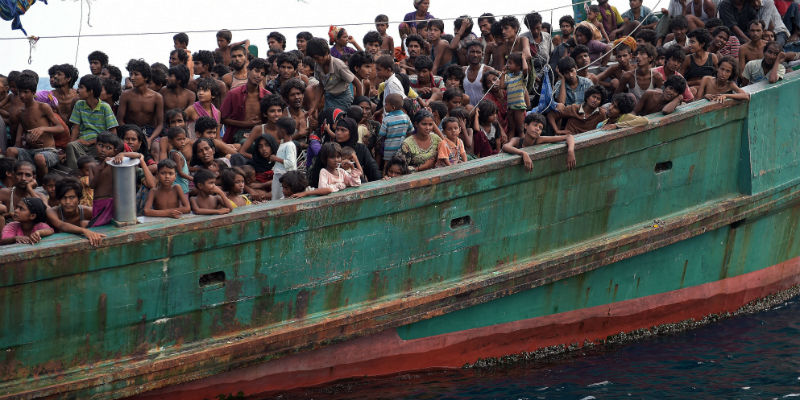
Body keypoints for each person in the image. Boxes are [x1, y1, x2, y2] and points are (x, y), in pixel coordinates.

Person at [5, 74, 67, 181]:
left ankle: (43, 184)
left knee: (39, 158)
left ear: (33, 93)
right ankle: (12, 183)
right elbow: (20, 137)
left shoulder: (43, 107)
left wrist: (42, 129)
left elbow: (60, 128)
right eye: (20, 92)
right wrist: (23, 141)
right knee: (11, 151)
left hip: (48, 151)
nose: (22, 95)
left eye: (26, 92)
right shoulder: (21, 112)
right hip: (30, 151)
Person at [65, 74, 119, 170]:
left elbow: (112, 131)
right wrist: (73, 143)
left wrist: (92, 142)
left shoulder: (104, 107)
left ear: (91, 91)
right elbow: (76, 128)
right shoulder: (79, 104)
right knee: (70, 146)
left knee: (97, 153)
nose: (78, 90)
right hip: (82, 143)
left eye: (81, 88)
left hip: (99, 144)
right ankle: (75, 173)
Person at [88, 132, 139, 226]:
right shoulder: (92, 166)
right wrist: (100, 169)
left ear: (114, 151)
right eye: (100, 145)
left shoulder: (115, 163)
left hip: (112, 202)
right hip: (98, 203)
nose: (103, 150)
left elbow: (138, 155)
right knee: (97, 227)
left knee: (112, 227)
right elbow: (92, 185)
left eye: (108, 148)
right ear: (96, 145)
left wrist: (122, 154)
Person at [221, 57, 270, 144]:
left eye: (262, 74)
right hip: (237, 134)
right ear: (248, 70)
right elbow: (223, 119)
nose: (259, 75)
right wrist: (246, 124)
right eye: (256, 71)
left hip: (261, 133)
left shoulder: (267, 96)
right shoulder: (233, 94)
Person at [502, 112, 576, 171]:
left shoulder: (539, 139)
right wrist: (523, 153)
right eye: (535, 125)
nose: (537, 129)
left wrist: (570, 151)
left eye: (540, 128)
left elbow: (569, 136)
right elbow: (505, 146)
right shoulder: (517, 140)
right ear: (526, 126)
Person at [45, 177, 106, 246]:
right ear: (59, 199)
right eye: (64, 198)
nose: (67, 202)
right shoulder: (52, 212)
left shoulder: (88, 211)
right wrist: (84, 231)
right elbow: (61, 225)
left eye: (72, 197)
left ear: (79, 199)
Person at [308, 38, 362, 115]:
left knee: (339, 121)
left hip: (343, 98)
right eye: (314, 58)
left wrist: (358, 106)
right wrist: (313, 107)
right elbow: (321, 86)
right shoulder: (318, 65)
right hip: (329, 97)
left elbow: (358, 84)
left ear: (326, 53)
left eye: (317, 58)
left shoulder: (339, 65)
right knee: (328, 120)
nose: (316, 61)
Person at [117, 59, 164, 146]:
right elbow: (120, 120)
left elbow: (160, 124)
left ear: (145, 77)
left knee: (156, 148)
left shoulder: (157, 97)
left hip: (149, 131)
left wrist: (150, 139)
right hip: (129, 130)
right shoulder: (126, 95)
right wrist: (131, 134)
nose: (132, 78)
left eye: (136, 74)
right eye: (131, 74)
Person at [0, 161, 47, 227]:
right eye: (19, 174)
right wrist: (8, 214)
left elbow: (47, 212)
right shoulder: (4, 193)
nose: (23, 178)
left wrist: (30, 189)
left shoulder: (40, 196)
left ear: (34, 178)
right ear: (13, 175)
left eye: (28, 175)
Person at [378, 93, 414, 164]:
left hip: (389, 148)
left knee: (387, 164)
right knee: (401, 165)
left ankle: (385, 174)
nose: (384, 106)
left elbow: (382, 134)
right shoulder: (406, 117)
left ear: (393, 107)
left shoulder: (387, 119)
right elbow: (411, 131)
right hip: (402, 148)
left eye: (386, 104)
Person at [501, 52, 530, 138]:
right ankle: (510, 147)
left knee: (520, 129)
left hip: (519, 106)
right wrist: (503, 74)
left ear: (518, 66)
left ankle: (523, 146)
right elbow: (502, 86)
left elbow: (525, 69)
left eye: (510, 63)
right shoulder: (509, 76)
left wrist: (523, 58)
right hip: (510, 106)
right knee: (511, 128)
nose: (507, 65)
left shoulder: (522, 76)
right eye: (507, 62)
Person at [270, 117, 298, 201]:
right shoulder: (283, 144)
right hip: (279, 176)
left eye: (277, 130)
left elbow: (290, 163)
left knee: (280, 198)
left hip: (285, 178)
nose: (276, 132)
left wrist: (275, 158)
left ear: (283, 131)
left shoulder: (289, 145)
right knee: (275, 197)